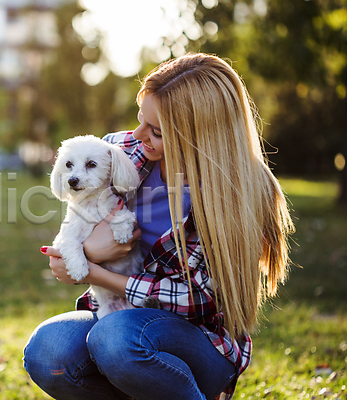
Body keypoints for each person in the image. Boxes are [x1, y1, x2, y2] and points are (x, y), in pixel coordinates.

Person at [23, 53, 294, 400]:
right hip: (116, 314)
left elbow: (197, 300)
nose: (138, 135)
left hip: (197, 338)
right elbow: (70, 245)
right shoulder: (117, 151)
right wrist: (87, 251)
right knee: (49, 349)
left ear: (199, 138)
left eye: (156, 131)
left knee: (116, 339)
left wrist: (93, 271)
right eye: (140, 120)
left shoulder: (238, 192)